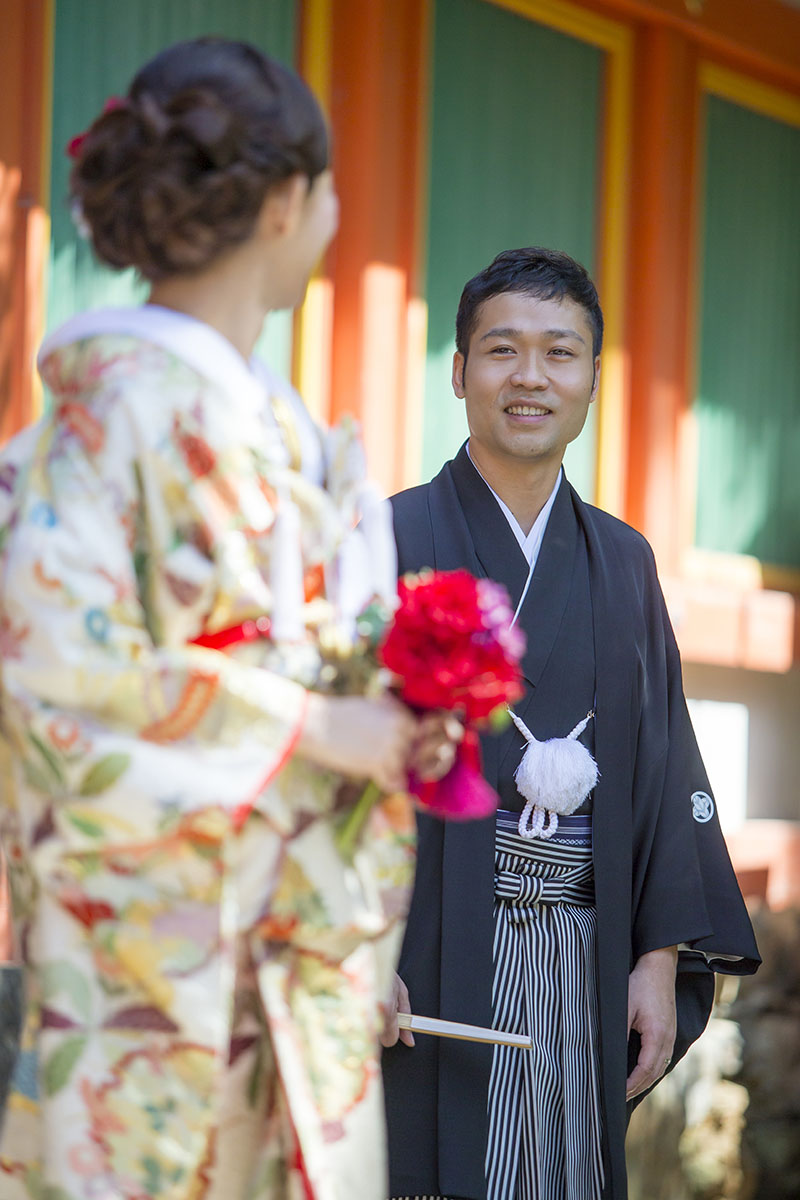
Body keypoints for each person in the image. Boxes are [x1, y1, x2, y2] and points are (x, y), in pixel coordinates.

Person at [0, 37, 459, 1200]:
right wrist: (315, 728)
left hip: (290, 949)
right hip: (154, 961)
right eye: (331, 189)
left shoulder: (278, 425)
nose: (336, 214)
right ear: (285, 204)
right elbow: (50, 672)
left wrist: (392, 720)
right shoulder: (111, 412)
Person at [381, 247, 761, 1200]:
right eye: (502, 349)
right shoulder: (387, 539)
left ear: (593, 377)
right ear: (459, 371)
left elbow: (665, 770)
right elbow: (326, 774)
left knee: (562, 1171)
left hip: (583, 958)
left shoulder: (624, 563)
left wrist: (657, 957)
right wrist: (349, 951)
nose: (531, 376)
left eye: (560, 352)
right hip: (419, 953)